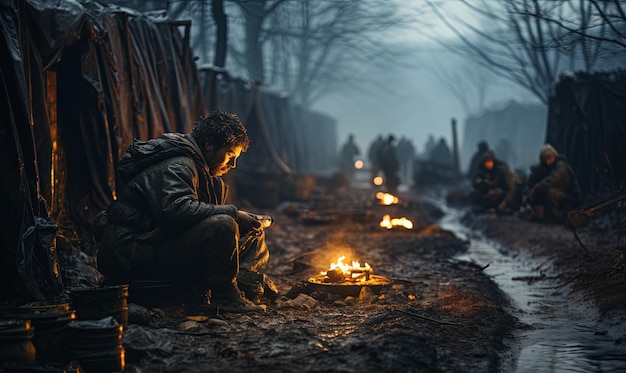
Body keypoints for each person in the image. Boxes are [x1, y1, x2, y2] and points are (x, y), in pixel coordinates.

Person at [94, 111, 274, 314]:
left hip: (156, 245)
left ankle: (236, 287)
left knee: (253, 234)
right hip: (134, 257)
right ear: (208, 145)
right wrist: (233, 213)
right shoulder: (178, 166)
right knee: (224, 225)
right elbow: (176, 214)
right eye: (230, 155)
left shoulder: (202, 170)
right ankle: (226, 298)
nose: (233, 165)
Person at [522, 144, 581, 223]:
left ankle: (558, 217)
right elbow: (531, 181)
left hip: (568, 198)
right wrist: (527, 194)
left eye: (550, 157)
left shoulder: (561, 166)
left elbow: (550, 180)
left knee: (551, 192)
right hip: (558, 196)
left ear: (554, 156)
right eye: (545, 158)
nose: (548, 161)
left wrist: (534, 190)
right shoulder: (546, 167)